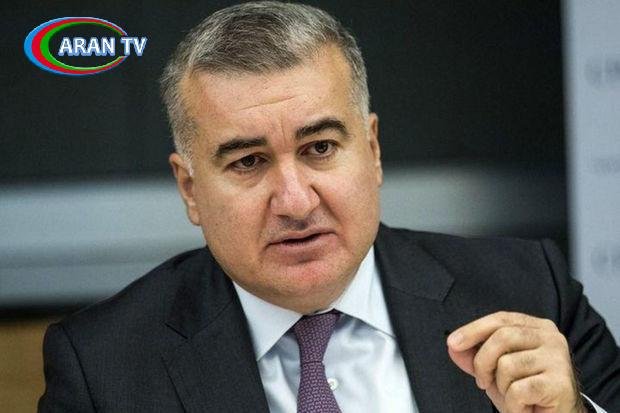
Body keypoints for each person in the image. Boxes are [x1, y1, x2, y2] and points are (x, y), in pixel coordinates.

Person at [39, 2, 619, 412]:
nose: (295, 202)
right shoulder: (103, 370)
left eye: (319, 148)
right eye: (248, 162)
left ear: (372, 150)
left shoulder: (528, 291)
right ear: (190, 188)